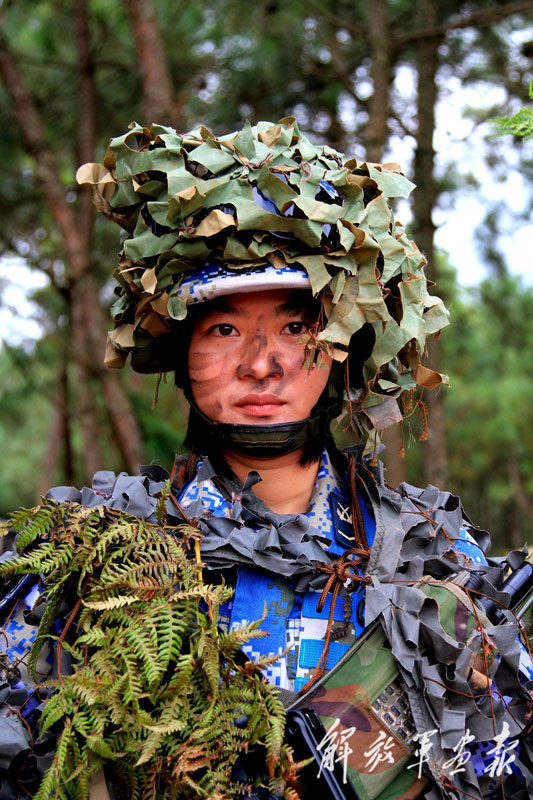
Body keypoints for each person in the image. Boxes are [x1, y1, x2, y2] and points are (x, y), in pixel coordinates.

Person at [2, 119, 532, 799]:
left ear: (342, 348)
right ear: (179, 355)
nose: (261, 364)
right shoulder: (86, 557)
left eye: (293, 326)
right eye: (223, 329)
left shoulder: (434, 551)